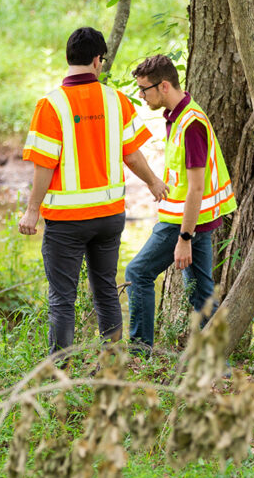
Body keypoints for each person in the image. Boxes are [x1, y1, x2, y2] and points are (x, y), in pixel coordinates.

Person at [18, 27, 168, 356]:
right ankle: (111, 365)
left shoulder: (51, 105)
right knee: (105, 291)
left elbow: (44, 164)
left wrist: (32, 210)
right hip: (109, 216)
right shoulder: (116, 100)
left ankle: (62, 374)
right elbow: (132, 154)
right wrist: (154, 182)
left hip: (67, 222)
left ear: (69, 59)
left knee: (62, 299)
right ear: (98, 61)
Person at [124, 54, 237, 353]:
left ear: (163, 86)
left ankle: (139, 352)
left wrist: (185, 237)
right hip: (191, 219)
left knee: (138, 273)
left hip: (184, 224)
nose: (141, 95)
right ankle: (213, 362)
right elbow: (186, 177)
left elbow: (197, 187)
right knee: (201, 292)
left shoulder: (191, 124)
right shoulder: (179, 115)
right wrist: (162, 186)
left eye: (144, 89)